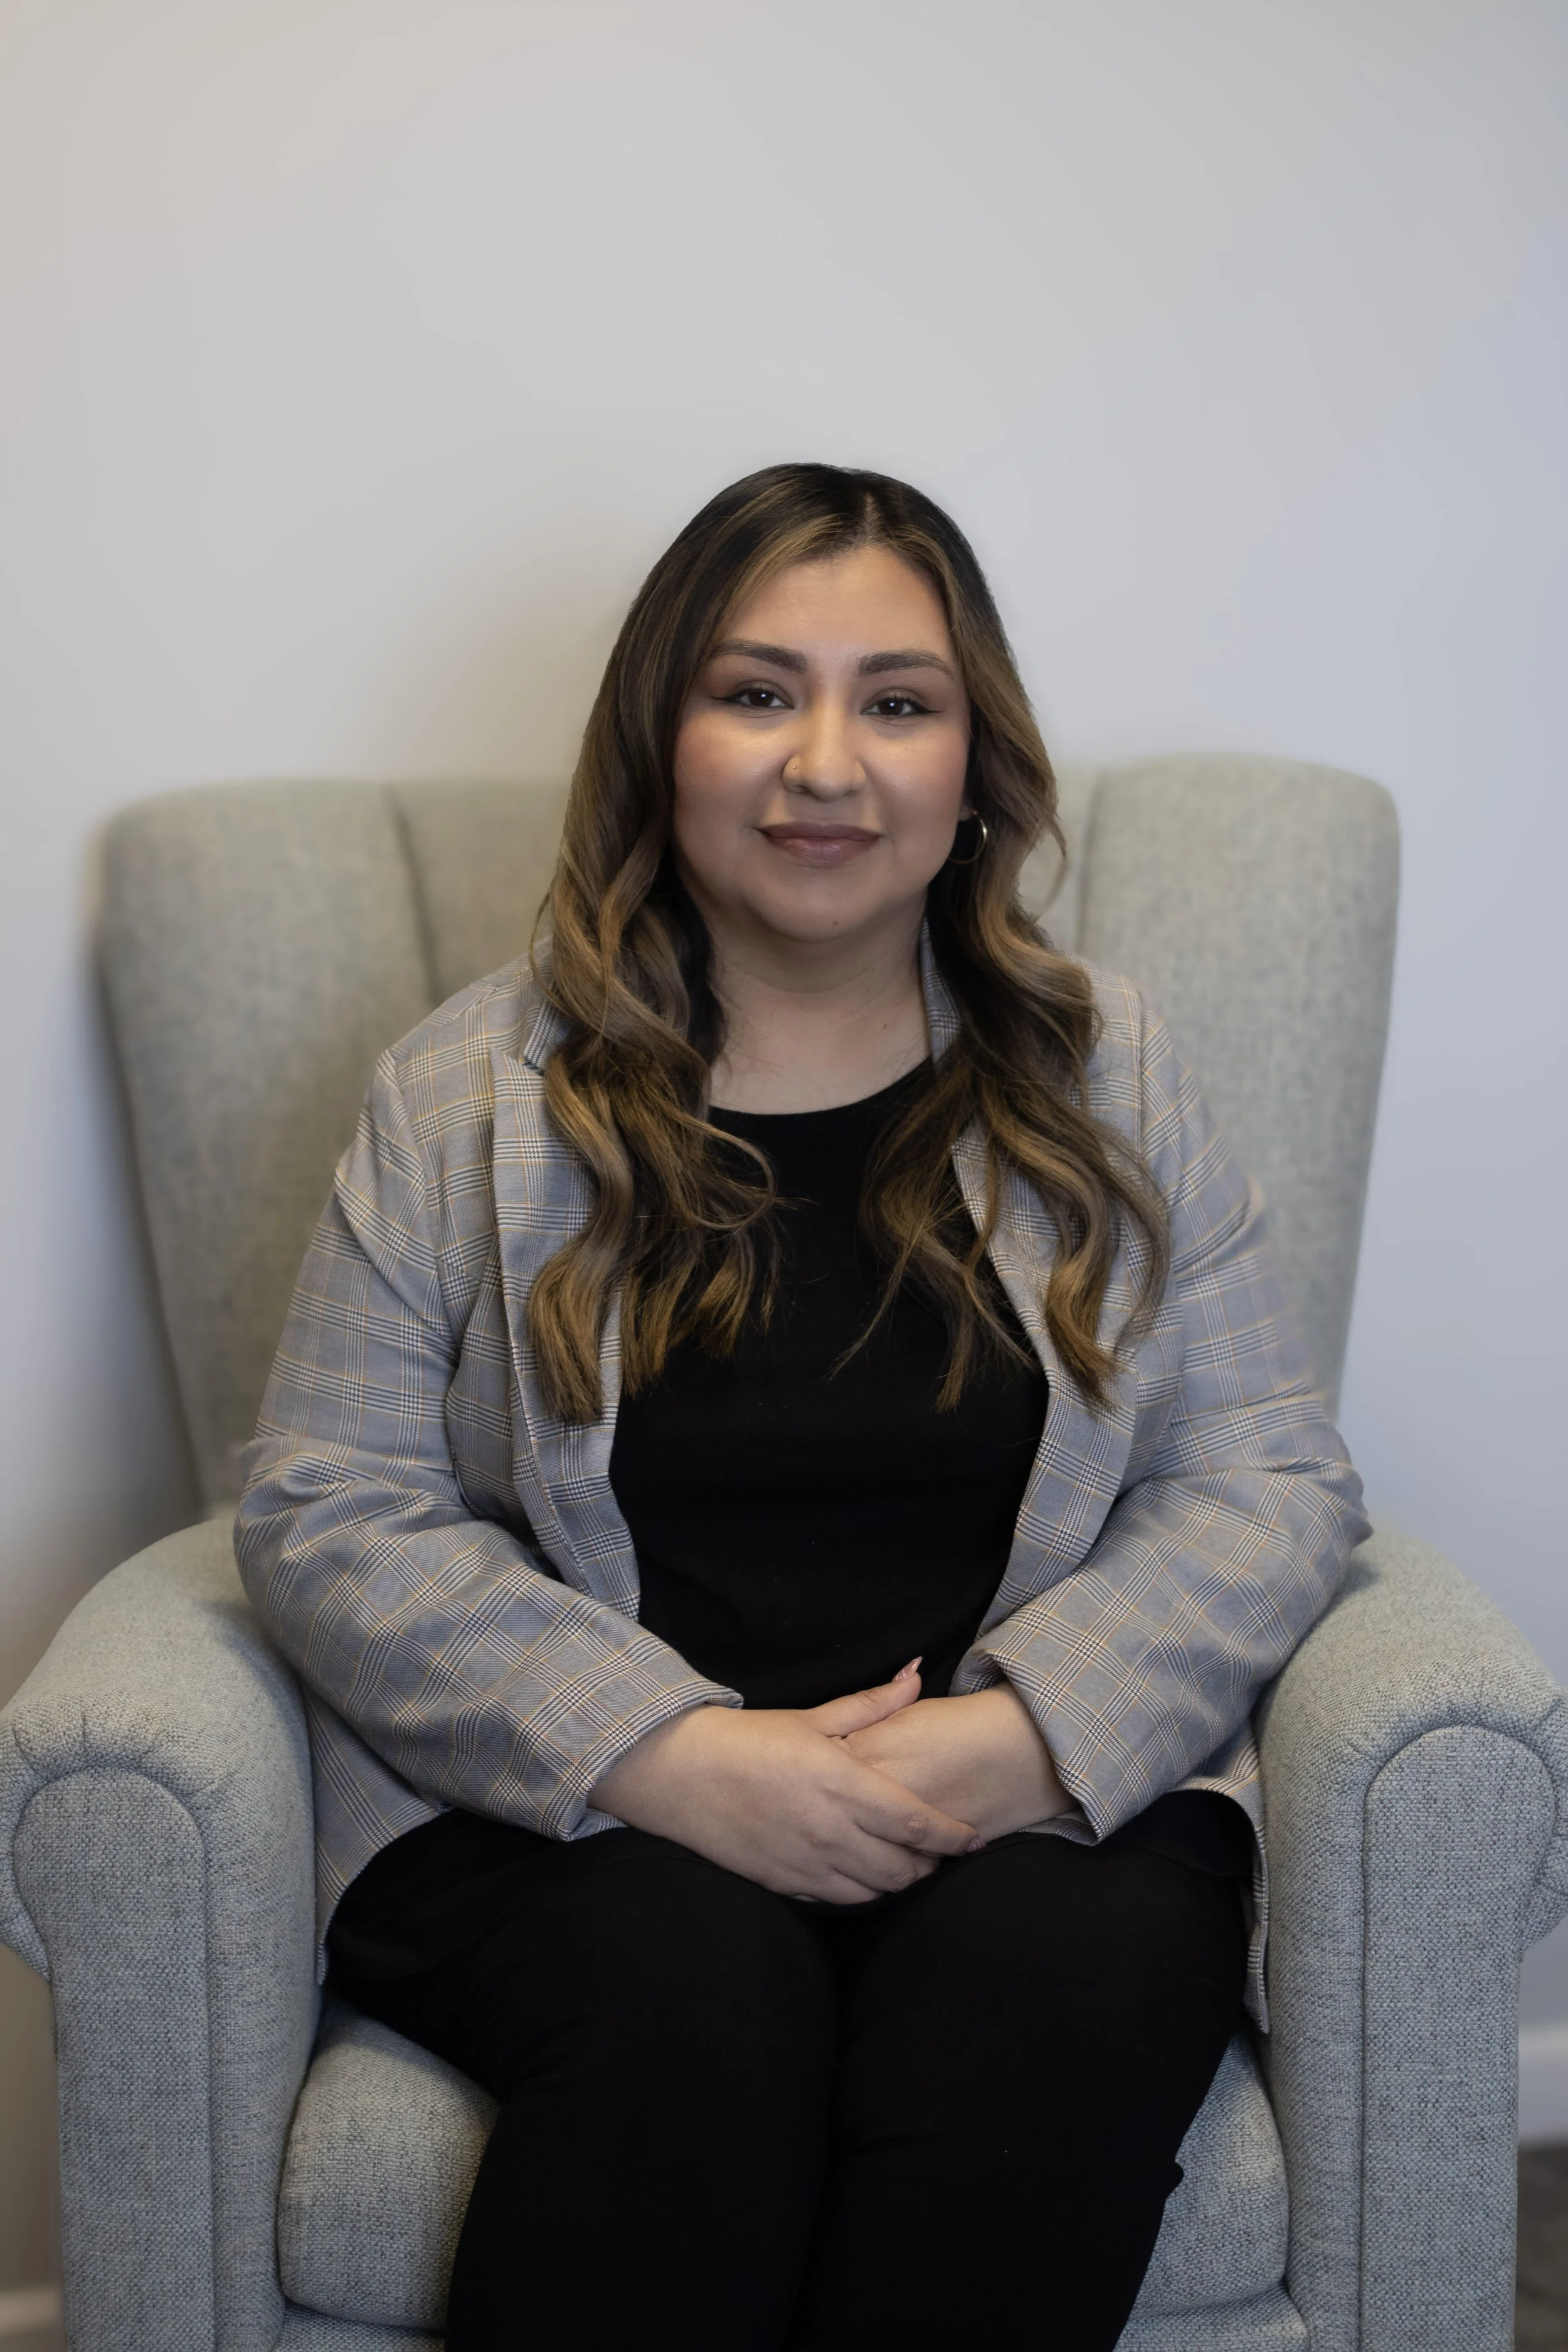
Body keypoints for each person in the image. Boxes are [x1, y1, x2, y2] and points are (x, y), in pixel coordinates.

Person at [236, 462, 1369, 2352]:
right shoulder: (466, 1094)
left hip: (1019, 1807)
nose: (824, 761)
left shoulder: (1107, 1070)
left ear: (971, 764)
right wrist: (666, 1753)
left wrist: (1028, 1735)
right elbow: (323, 1502)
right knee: (694, 2009)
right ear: (658, 738)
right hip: (585, 1827)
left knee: (1054, 1995)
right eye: (756, 691)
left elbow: (1264, 1470)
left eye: (896, 702)